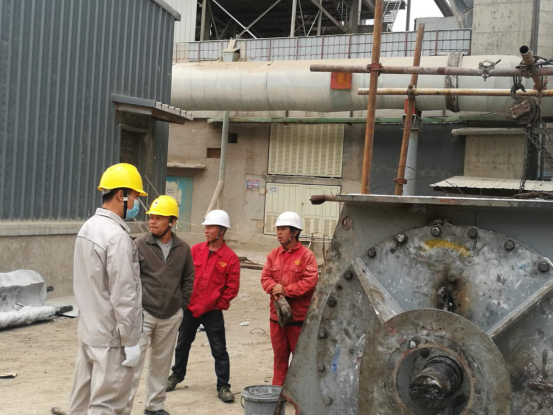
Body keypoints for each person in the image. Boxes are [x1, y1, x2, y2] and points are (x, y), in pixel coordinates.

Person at [68, 163, 147, 414]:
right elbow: (125, 294)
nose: (136, 203)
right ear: (121, 195)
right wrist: (131, 340)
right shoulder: (117, 237)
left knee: (81, 402)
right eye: (135, 196)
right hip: (112, 339)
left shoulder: (88, 227)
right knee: (108, 405)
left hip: (89, 330)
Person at [123, 196, 195, 415]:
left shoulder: (183, 249)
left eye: (158, 218)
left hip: (171, 316)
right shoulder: (140, 244)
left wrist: (181, 307)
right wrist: (136, 308)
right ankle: (122, 409)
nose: (152, 222)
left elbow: (188, 279)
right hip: (144, 314)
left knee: (161, 364)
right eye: (151, 217)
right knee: (132, 365)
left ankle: (154, 407)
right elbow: (130, 279)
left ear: (172, 222)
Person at [166, 210, 240, 403]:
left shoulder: (230, 258)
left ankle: (223, 385)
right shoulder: (195, 251)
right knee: (182, 344)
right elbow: (183, 276)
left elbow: (232, 287)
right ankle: (177, 375)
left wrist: (219, 304)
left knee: (219, 350)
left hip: (212, 311)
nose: (206, 231)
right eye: (206, 227)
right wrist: (184, 300)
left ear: (222, 230)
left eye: (210, 227)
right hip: (190, 308)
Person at [260, 212, 319, 386]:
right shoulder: (273, 255)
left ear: (295, 232)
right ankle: (278, 394)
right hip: (277, 318)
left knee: (301, 360)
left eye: (283, 229)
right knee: (279, 359)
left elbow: (310, 281)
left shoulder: (307, 256)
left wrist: (286, 290)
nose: (279, 233)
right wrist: (274, 288)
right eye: (278, 229)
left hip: (297, 320)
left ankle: (300, 396)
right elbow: (265, 278)